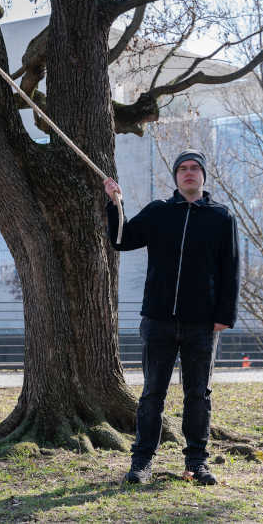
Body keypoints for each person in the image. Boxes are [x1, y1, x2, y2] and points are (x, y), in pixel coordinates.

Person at [103, 150, 238, 486]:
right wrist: (114, 203)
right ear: (176, 177)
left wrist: (224, 316)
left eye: (195, 169)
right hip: (158, 320)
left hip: (202, 324)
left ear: (203, 176)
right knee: (152, 394)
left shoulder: (221, 218)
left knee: (198, 395)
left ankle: (197, 463)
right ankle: (141, 463)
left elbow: (230, 270)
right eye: (183, 169)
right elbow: (121, 240)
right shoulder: (159, 213)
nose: (189, 173)